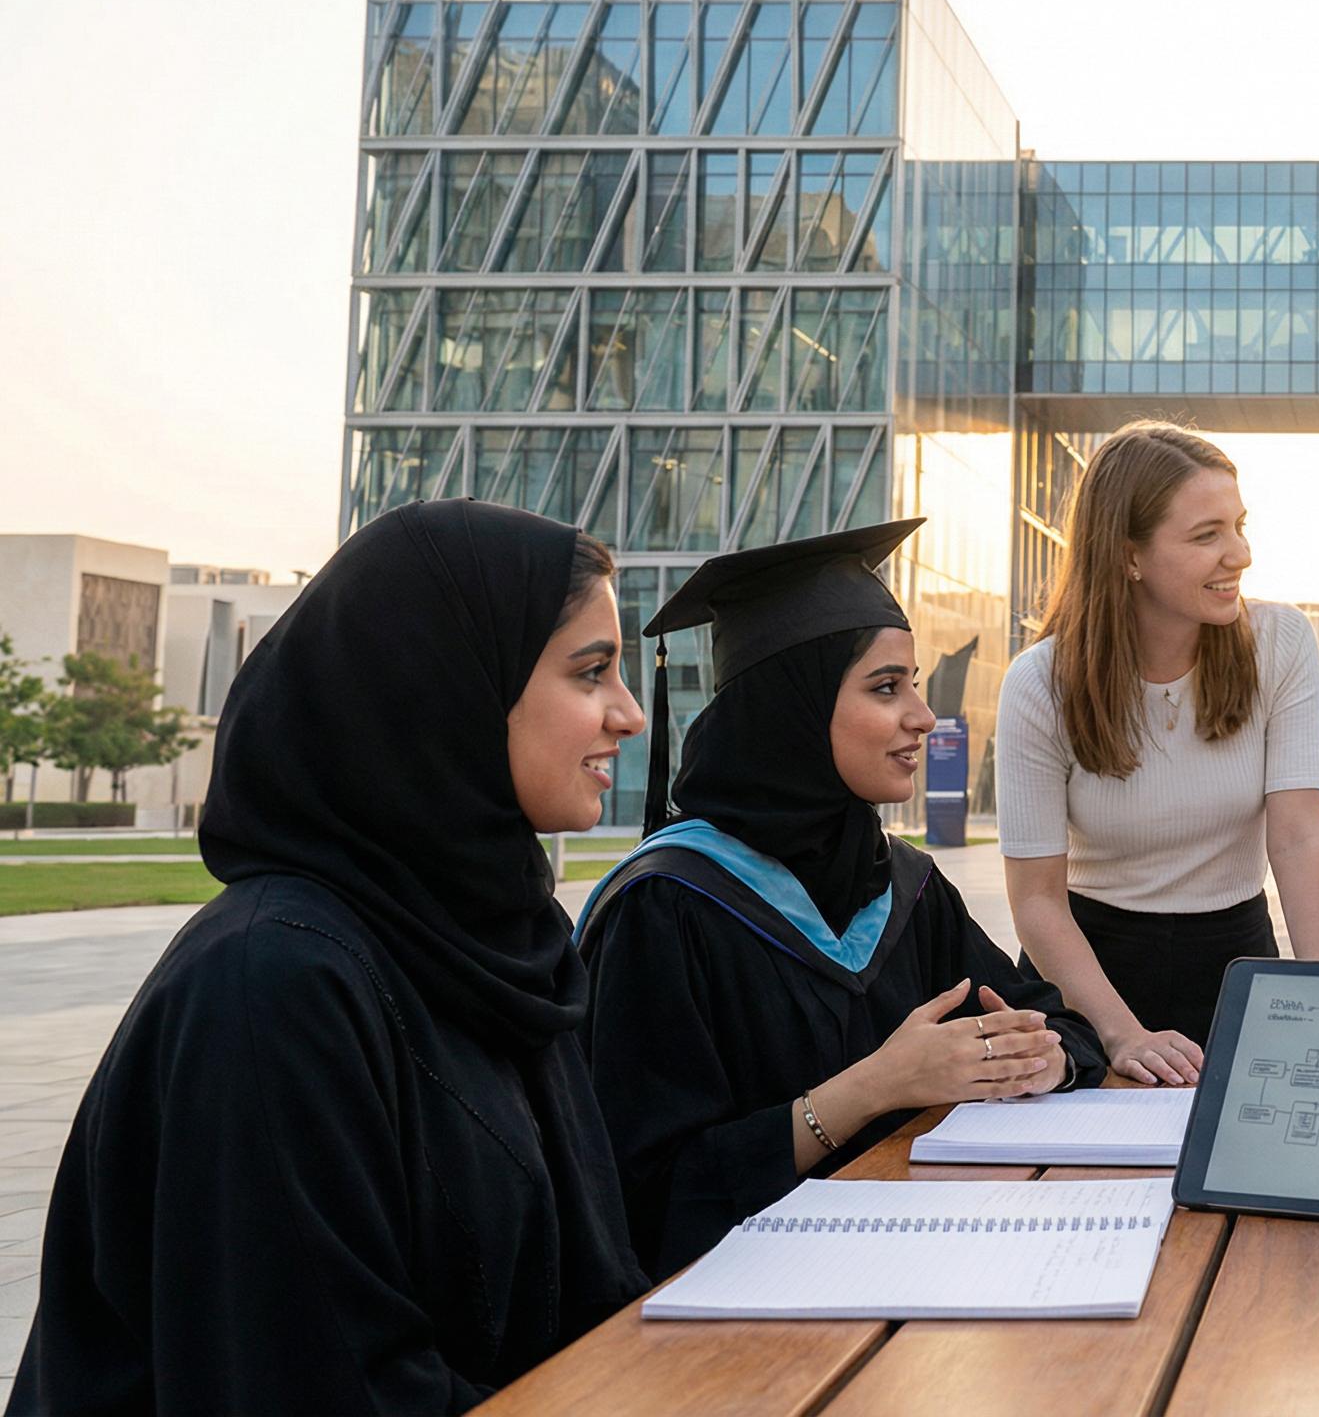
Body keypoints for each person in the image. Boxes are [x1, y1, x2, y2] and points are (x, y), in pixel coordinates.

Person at [8, 501, 649, 1415]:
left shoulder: (489, 947)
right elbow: (315, 1381)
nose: (625, 714)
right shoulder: (272, 987)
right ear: (447, 687)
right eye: (591, 673)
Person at [574, 520, 1105, 1274]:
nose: (922, 716)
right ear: (788, 708)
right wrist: (871, 1090)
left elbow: (1055, 1022)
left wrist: (1036, 1058)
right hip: (735, 1327)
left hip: (916, 1278)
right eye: (886, 688)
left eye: (915, 685)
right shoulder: (666, 909)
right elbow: (643, 1198)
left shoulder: (904, 887)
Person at [997, 422, 1319, 1085]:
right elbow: (1036, 899)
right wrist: (1120, 1034)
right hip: (1086, 974)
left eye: (1239, 525)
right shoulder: (1040, 683)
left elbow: (1298, 838)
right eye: (1206, 535)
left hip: (1236, 957)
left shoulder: (1282, 642)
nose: (1238, 554)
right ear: (1129, 555)